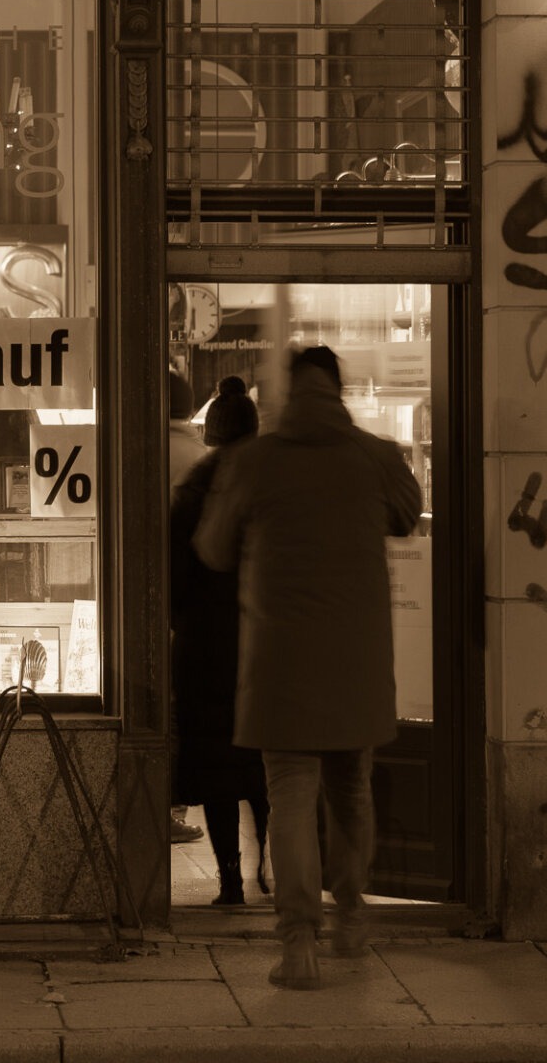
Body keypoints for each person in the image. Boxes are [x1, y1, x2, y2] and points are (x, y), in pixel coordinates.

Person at [194, 346, 421, 989]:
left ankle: (299, 946)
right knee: (351, 794)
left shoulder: (253, 461)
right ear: (338, 390)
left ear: (289, 393)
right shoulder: (377, 457)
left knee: (290, 797)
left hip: (280, 665)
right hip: (356, 663)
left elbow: (212, 548)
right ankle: (350, 916)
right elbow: (409, 515)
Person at [170, 376, 270, 907]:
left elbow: (173, 578)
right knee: (265, 764)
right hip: (262, 641)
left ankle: (230, 879)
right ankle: (269, 865)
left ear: (210, 433)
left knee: (216, 771)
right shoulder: (273, 484)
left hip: (205, 649)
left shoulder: (196, 486)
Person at [166, 367, 207, 846]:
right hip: (188, 606)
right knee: (178, 710)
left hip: (142, 598)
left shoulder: (133, 447)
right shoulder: (200, 459)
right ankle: (171, 809)